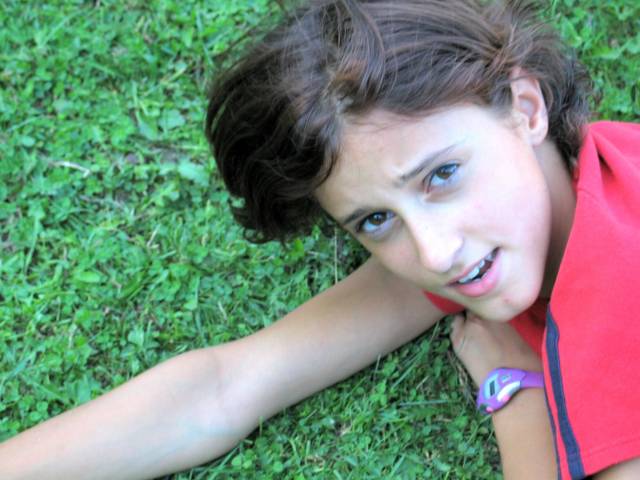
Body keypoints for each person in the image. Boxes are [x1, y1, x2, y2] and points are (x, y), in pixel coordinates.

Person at [1, 0, 638, 478]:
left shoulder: (617, 274)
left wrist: (512, 390)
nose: (434, 252)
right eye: (375, 220)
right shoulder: (513, 227)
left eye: (442, 176)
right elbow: (225, 387)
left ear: (525, 109)